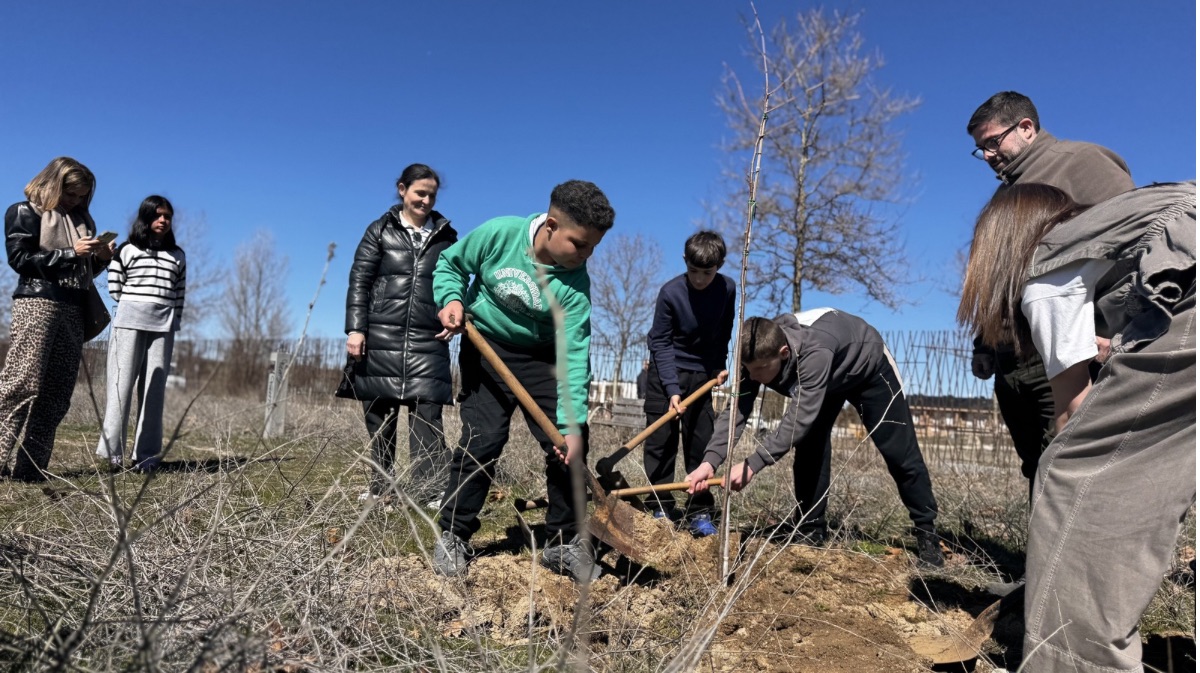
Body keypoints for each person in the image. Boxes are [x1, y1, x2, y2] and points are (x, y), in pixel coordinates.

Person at [957, 181, 1194, 673]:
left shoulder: (1046, 268)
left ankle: (1073, 654)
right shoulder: (1107, 231)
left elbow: (1074, 413)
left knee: (1073, 477)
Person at [430, 180, 614, 582]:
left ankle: (562, 542)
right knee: (483, 439)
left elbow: (574, 359)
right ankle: (453, 534)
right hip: (487, 346)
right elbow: (451, 265)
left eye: (593, 247)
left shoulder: (575, 286)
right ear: (550, 225)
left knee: (567, 443)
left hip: (543, 359)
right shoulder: (500, 235)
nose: (587, 255)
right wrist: (452, 300)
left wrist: (569, 424)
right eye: (580, 244)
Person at [966, 91, 1134, 493]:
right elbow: (994, 283)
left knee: (1067, 465)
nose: (987, 155)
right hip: (1011, 359)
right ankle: (1040, 556)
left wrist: (1125, 336)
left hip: (1067, 351)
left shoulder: (1083, 163)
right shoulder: (1004, 195)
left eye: (992, 142)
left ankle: (1074, 557)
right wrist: (984, 345)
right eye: (980, 149)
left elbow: (1134, 248)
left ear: (1026, 127)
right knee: (1036, 467)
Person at [685, 310, 944, 568]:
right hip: (825, 377)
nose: (753, 378)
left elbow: (798, 419)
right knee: (811, 445)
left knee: (899, 452)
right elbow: (737, 412)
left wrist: (753, 464)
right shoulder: (754, 353)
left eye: (760, 370)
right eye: (749, 370)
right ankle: (811, 528)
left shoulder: (814, 352)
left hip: (868, 366)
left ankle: (928, 536)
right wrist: (710, 463)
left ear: (784, 353)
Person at [344, 164, 457, 508]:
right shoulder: (379, 230)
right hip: (380, 333)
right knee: (380, 416)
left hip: (428, 337)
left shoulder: (446, 236)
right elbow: (360, 280)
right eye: (419, 192)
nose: (425, 200)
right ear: (402, 190)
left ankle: (428, 491)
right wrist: (355, 328)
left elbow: (455, 279)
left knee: (428, 416)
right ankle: (382, 487)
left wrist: (453, 311)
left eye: (431, 195)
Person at [0, 157, 113, 481]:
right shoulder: (24, 211)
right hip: (38, 302)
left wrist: (100, 259)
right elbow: (19, 259)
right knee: (21, 383)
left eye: (81, 196)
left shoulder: (81, 222)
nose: (75, 201)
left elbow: (82, 271)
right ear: (54, 185)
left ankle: (31, 469)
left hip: (74, 306)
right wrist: (69, 253)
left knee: (57, 392)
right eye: (70, 194)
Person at [642, 230, 735, 535]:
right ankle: (660, 505)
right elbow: (660, 342)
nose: (699, 279)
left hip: (701, 375)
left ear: (719, 265)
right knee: (661, 442)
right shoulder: (671, 293)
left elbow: (724, 331)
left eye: (707, 272)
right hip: (665, 370)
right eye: (693, 271)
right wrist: (671, 389)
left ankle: (699, 510)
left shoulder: (728, 289)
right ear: (685, 261)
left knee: (700, 441)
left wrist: (719, 367)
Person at [95, 195, 186, 471]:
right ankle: (113, 454)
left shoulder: (178, 255)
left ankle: (146, 455)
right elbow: (115, 286)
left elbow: (179, 293)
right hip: (129, 323)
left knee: (154, 391)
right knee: (120, 386)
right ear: (146, 218)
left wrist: (174, 320)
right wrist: (134, 305)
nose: (163, 220)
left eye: (167, 216)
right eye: (158, 215)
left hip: (163, 326)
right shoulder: (127, 249)